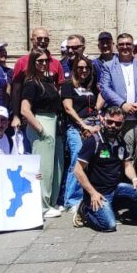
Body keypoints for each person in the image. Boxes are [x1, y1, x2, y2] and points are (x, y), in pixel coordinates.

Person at [19, 48, 65, 219]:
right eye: (40, 61)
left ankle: (51, 201)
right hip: (41, 121)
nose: (44, 64)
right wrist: (39, 128)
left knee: (56, 165)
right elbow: (25, 109)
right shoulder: (31, 82)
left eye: (46, 60)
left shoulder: (48, 80)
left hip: (54, 122)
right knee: (44, 167)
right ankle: (42, 205)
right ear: (33, 62)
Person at [72, 105, 132, 232]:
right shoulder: (93, 141)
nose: (113, 126)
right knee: (109, 225)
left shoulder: (120, 141)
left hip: (115, 189)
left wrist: (136, 179)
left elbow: (127, 165)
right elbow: (77, 170)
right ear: (103, 120)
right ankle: (84, 211)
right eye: (109, 122)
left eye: (117, 123)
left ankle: (111, 208)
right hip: (98, 193)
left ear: (122, 124)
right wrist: (92, 193)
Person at [61, 54, 103, 212]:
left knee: (93, 161)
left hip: (93, 126)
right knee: (77, 160)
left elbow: (101, 98)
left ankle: (87, 194)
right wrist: (83, 125)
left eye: (86, 67)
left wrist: (97, 114)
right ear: (74, 69)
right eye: (80, 67)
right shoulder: (67, 85)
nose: (83, 70)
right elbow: (68, 108)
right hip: (76, 127)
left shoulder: (91, 87)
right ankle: (71, 200)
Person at [98, 32, 137, 132]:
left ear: (133, 46)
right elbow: (105, 88)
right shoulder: (108, 66)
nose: (125, 47)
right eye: (121, 44)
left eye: (128, 44)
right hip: (116, 118)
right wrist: (122, 104)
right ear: (116, 47)